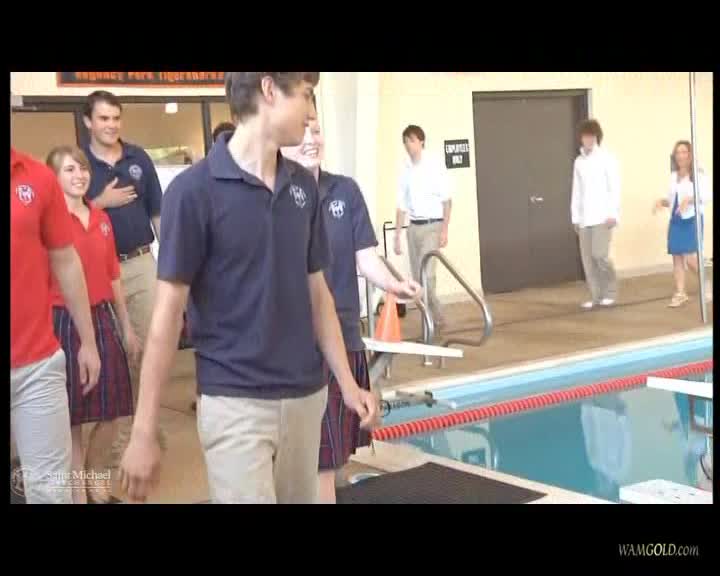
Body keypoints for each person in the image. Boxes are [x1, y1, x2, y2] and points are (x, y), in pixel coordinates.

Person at [119, 72, 379, 504]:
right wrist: (144, 431)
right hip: (234, 402)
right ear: (269, 89)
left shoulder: (302, 188)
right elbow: (165, 320)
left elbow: (318, 295)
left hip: (305, 397)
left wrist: (348, 386)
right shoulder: (193, 192)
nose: (311, 112)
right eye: (306, 96)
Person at [282, 112, 422, 503]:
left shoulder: (345, 191)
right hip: (295, 346)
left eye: (317, 130)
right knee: (318, 461)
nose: (311, 139)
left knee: (331, 457)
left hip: (342, 337)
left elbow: (365, 258)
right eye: (301, 131)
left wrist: (394, 284)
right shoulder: (271, 197)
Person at [46, 146, 141, 503]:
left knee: (115, 409)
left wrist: (126, 326)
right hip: (62, 321)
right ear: (53, 178)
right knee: (71, 420)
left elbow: (114, 275)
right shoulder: (47, 222)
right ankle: (78, 495)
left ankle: (94, 476)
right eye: (69, 170)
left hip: (102, 318)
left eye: (82, 168)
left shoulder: (101, 218)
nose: (79, 175)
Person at [11, 147, 101, 504]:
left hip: (37, 367)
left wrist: (88, 341)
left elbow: (65, 260)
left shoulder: (38, 177)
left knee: (51, 491)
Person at [81, 90, 164, 467]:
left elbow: (158, 214)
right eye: (103, 118)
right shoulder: (79, 164)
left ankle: (141, 435)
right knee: (113, 359)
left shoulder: (139, 158)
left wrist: (171, 267)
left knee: (147, 355)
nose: (111, 125)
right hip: (97, 275)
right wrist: (101, 203)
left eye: (116, 118)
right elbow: (66, 216)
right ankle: (116, 444)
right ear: (88, 121)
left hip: (143, 264)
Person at [394, 124, 451, 330]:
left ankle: (433, 319)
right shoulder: (405, 168)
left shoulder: (434, 164)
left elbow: (447, 200)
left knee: (428, 275)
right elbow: (401, 203)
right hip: (414, 227)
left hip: (432, 225)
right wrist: (397, 235)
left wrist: (444, 230)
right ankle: (434, 316)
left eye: (411, 140)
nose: (408, 145)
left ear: (421, 141)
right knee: (418, 278)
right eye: (405, 142)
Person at [653, 140, 712, 307]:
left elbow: (707, 196)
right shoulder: (673, 176)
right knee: (677, 257)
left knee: (690, 258)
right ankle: (680, 293)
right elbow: (672, 199)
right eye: (678, 152)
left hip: (692, 218)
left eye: (684, 152)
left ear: (690, 155)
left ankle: (706, 283)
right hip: (676, 219)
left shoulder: (699, 174)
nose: (680, 155)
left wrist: (689, 199)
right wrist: (662, 202)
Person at [570, 119, 621, 309]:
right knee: (588, 260)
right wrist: (575, 217)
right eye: (585, 136)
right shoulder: (579, 162)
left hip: (603, 217)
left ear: (597, 137)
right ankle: (595, 296)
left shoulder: (607, 158)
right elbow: (576, 191)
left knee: (600, 255)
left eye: (592, 136)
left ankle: (610, 292)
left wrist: (613, 213)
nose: (588, 139)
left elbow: (614, 187)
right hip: (585, 218)